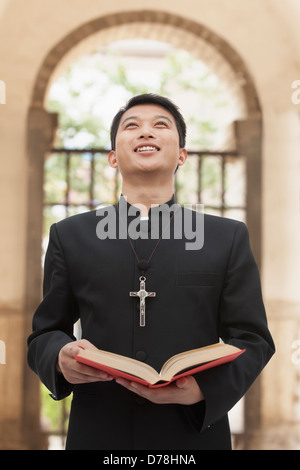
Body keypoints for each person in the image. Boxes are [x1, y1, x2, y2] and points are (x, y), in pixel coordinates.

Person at [27, 93, 275, 450]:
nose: (146, 132)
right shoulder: (70, 235)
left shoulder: (226, 237)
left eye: (161, 125)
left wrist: (204, 389)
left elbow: (254, 340)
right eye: (132, 126)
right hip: (99, 431)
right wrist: (59, 358)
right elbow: (46, 332)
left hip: (192, 435)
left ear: (182, 156)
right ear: (113, 157)